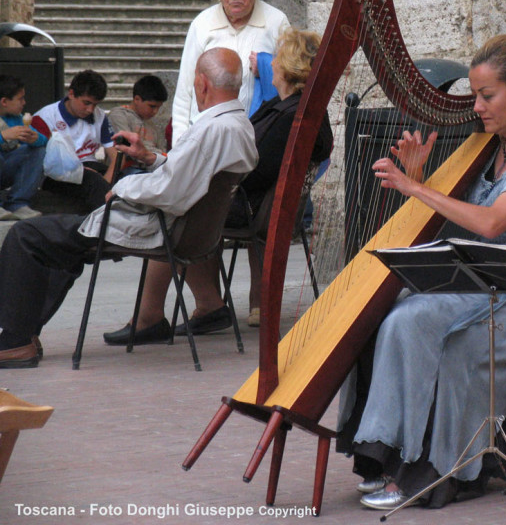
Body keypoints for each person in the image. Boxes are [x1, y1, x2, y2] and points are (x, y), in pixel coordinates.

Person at [342, 35, 506, 510]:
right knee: (402, 314)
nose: (476, 106)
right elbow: (468, 220)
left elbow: (494, 221)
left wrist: (416, 188)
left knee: (463, 346)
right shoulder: (491, 149)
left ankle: (449, 470)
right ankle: (387, 454)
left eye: (486, 95)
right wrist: (425, 179)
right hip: (495, 276)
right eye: (474, 96)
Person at [0, 48, 258, 368]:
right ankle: (22, 334)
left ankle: (14, 339)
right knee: (56, 242)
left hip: (160, 227)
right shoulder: (239, 125)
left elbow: (169, 191)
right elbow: (187, 176)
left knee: (25, 235)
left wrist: (120, 188)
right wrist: (151, 158)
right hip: (187, 231)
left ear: (202, 84)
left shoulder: (212, 129)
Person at [102, 29, 332, 343]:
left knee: (173, 208)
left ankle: (151, 317)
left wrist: (195, 171)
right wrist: (158, 158)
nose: (271, 64)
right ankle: (207, 306)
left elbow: (249, 170)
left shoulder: (292, 116)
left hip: (253, 209)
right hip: (249, 202)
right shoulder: (290, 109)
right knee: (184, 199)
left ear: (289, 67)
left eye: (277, 58)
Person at [171, 0, 290, 147]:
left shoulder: (276, 22)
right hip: (204, 141)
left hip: (256, 141)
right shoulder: (202, 24)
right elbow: (184, 92)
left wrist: (266, 67)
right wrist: (179, 145)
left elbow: (291, 85)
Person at [32, 70, 117, 214]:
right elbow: (39, 160)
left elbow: (117, 155)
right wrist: (79, 170)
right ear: (71, 94)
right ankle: (105, 227)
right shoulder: (45, 117)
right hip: (57, 173)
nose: (90, 109)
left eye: (95, 105)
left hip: (91, 167)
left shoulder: (100, 116)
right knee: (94, 182)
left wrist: (108, 179)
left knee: (126, 178)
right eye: (86, 103)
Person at [0, 74, 46, 220]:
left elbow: (43, 140)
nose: (24, 103)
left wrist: (35, 138)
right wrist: (3, 136)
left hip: (6, 169)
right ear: (4, 101)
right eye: (20, 99)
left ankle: (17, 203)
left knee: (38, 151)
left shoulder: (16, 118)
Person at [107, 75, 169, 157]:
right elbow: (127, 146)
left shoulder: (152, 125)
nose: (155, 111)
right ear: (137, 99)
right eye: (152, 106)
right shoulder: (118, 116)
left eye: (158, 107)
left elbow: (162, 151)